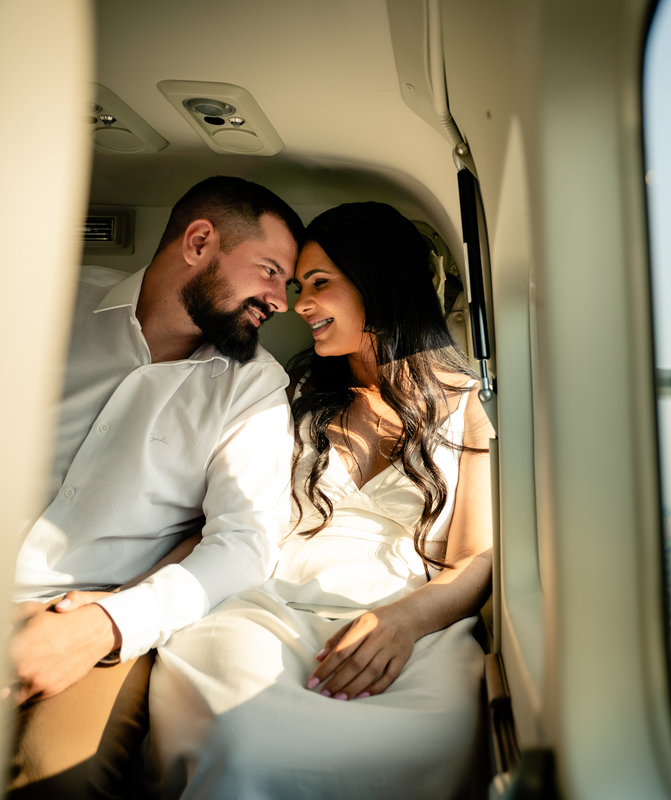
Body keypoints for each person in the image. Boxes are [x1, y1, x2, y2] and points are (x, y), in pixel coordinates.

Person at [146, 202, 494, 799]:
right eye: (296, 284)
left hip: (410, 624)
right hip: (267, 607)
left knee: (434, 739)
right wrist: (137, 594)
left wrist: (405, 623)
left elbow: (476, 559)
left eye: (319, 284)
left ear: (379, 283)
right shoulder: (292, 390)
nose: (297, 303)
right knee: (240, 736)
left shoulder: (471, 405)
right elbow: (233, 519)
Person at [7, 176, 304, 798]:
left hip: (88, 610)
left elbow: (246, 542)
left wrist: (102, 626)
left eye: (289, 283)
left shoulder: (254, 388)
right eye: (270, 271)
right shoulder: (40, 296)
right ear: (199, 242)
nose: (281, 300)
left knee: (62, 780)